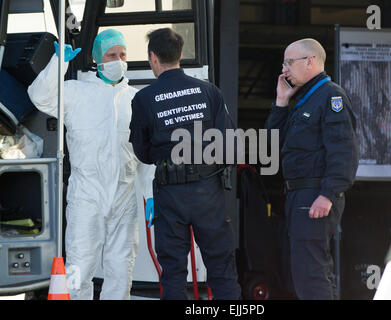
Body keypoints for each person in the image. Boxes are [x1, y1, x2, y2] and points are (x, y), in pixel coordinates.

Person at [28, 29, 147, 300]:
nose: (119, 60)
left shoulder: (136, 100)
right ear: (98, 59)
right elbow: (39, 96)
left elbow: (145, 155)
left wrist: (150, 195)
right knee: (79, 268)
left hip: (124, 197)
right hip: (87, 196)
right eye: (112, 55)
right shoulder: (75, 93)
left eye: (123, 54)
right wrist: (59, 64)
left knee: (121, 270)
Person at [129, 28, 241, 300]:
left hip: (170, 193)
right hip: (208, 191)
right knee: (221, 267)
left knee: (173, 272)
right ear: (180, 55)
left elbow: (142, 151)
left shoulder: (144, 98)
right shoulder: (208, 91)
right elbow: (229, 143)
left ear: (153, 58)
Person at [265, 38, 359, 299]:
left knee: (311, 271)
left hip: (314, 194)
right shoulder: (305, 99)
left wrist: (328, 194)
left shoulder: (331, 96)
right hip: (298, 196)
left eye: (288, 62)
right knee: (301, 271)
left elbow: (344, 151)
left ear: (310, 61)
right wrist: (281, 101)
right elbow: (270, 147)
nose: (284, 69)